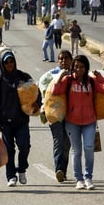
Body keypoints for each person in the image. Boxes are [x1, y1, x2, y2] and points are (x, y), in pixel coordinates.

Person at [53, 55, 104, 190]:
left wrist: (100, 78)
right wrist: (60, 77)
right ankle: (78, 179)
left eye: (82, 67)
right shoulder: (68, 80)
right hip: (72, 122)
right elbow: (56, 91)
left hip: (89, 121)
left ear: (86, 68)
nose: (78, 69)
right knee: (76, 151)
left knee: (89, 148)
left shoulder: (91, 81)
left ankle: (88, 177)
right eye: (76, 66)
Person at [0, 51, 41, 187]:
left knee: (24, 147)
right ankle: (11, 176)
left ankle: (22, 169)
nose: (9, 64)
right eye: (6, 62)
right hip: (5, 122)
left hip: (21, 121)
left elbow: (36, 91)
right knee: (9, 150)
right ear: (2, 63)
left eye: (11, 61)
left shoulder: (23, 76)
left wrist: (38, 103)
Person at [39, 50, 73, 183]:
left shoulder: (76, 74)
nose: (63, 61)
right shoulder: (51, 74)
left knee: (67, 143)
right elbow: (43, 87)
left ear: (71, 60)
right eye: (61, 59)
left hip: (71, 114)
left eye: (66, 58)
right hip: (55, 114)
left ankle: (63, 171)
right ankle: (59, 169)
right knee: (58, 141)